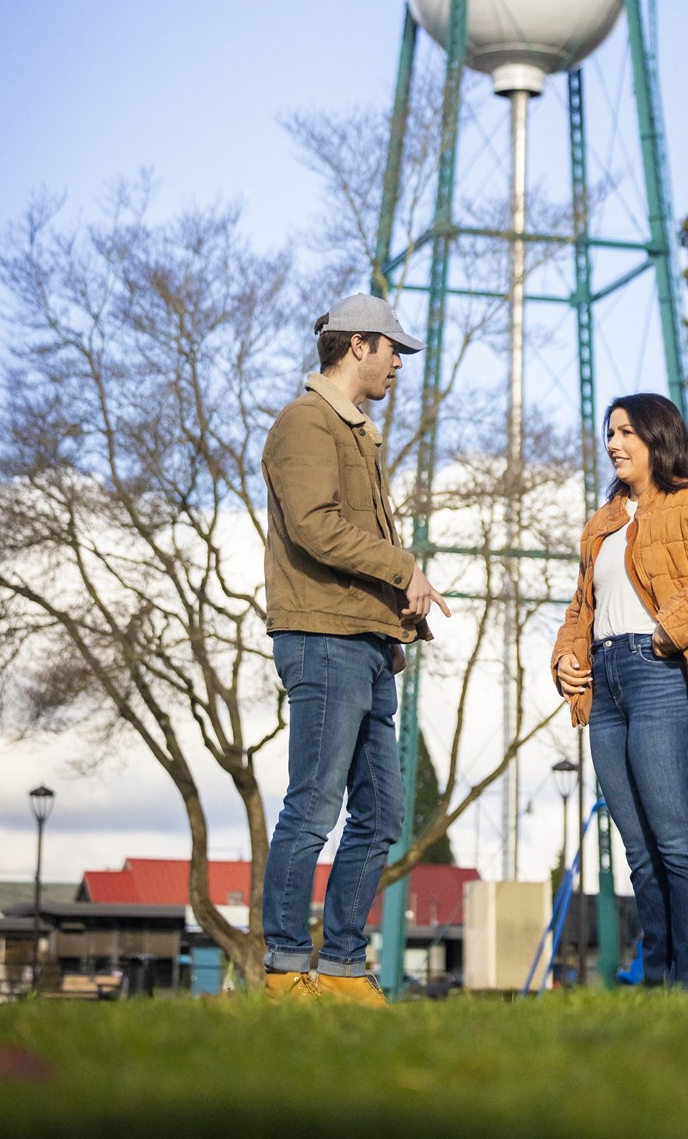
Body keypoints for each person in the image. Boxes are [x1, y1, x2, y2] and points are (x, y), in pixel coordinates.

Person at [262, 293, 450, 1005]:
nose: (399, 362)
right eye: (392, 348)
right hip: (321, 639)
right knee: (313, 803)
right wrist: (405, 569)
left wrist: (394, 623)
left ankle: (341, 967)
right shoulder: (306, 423)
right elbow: (315, 527)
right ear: (357, 346)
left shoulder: (357, 430)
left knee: (379, 814)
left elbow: (357, 543)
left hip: (365, 646)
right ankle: (284, 968)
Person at [552, 393, 688, 989]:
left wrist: (671, 629)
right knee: (642, 856)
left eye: (626, 433)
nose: (614, 443)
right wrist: (568, 660)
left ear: (658, 438)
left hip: (665, 677)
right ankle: (660, 991)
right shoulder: (603, 522)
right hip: (608, 686)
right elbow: (581, 608)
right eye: (610, 433)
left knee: (678, 845)